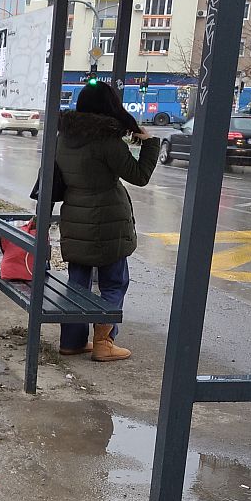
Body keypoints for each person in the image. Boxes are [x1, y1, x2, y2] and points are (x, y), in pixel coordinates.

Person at [55, 81, 160, 361]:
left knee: (78, 282)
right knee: (113, 282)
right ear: (110, 107)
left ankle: (72, 341)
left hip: (75, 217)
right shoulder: (106, 141)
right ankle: (103, 343)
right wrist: (149, 144)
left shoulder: (63, 138)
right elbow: (139, 175)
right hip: (108, 221)